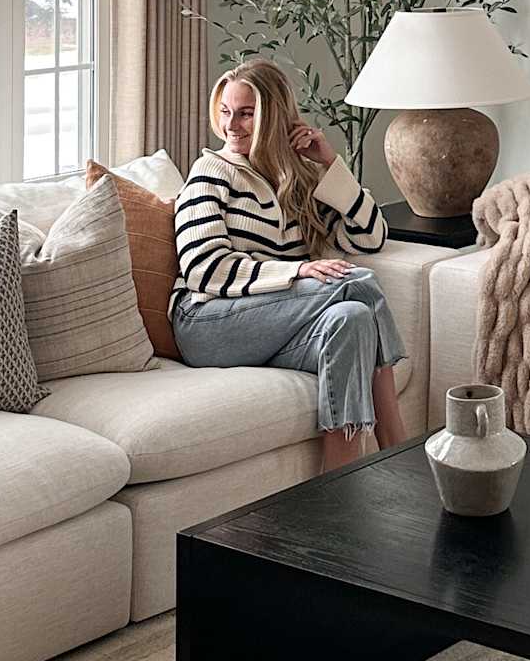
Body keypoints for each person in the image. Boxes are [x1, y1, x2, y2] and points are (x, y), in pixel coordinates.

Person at [171, 58, 408, 471]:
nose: (232, 125)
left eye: (246, 114)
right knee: (357, 284)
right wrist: (295, 272)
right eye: (226, 112)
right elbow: (202, 269)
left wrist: (329, 163)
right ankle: (399, 447)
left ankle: (337, 486)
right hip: (207, 323)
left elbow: (371, 236)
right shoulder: (210, 171)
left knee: (351, 318)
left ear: (274, 116)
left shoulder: (296, 177)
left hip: (275, 325)